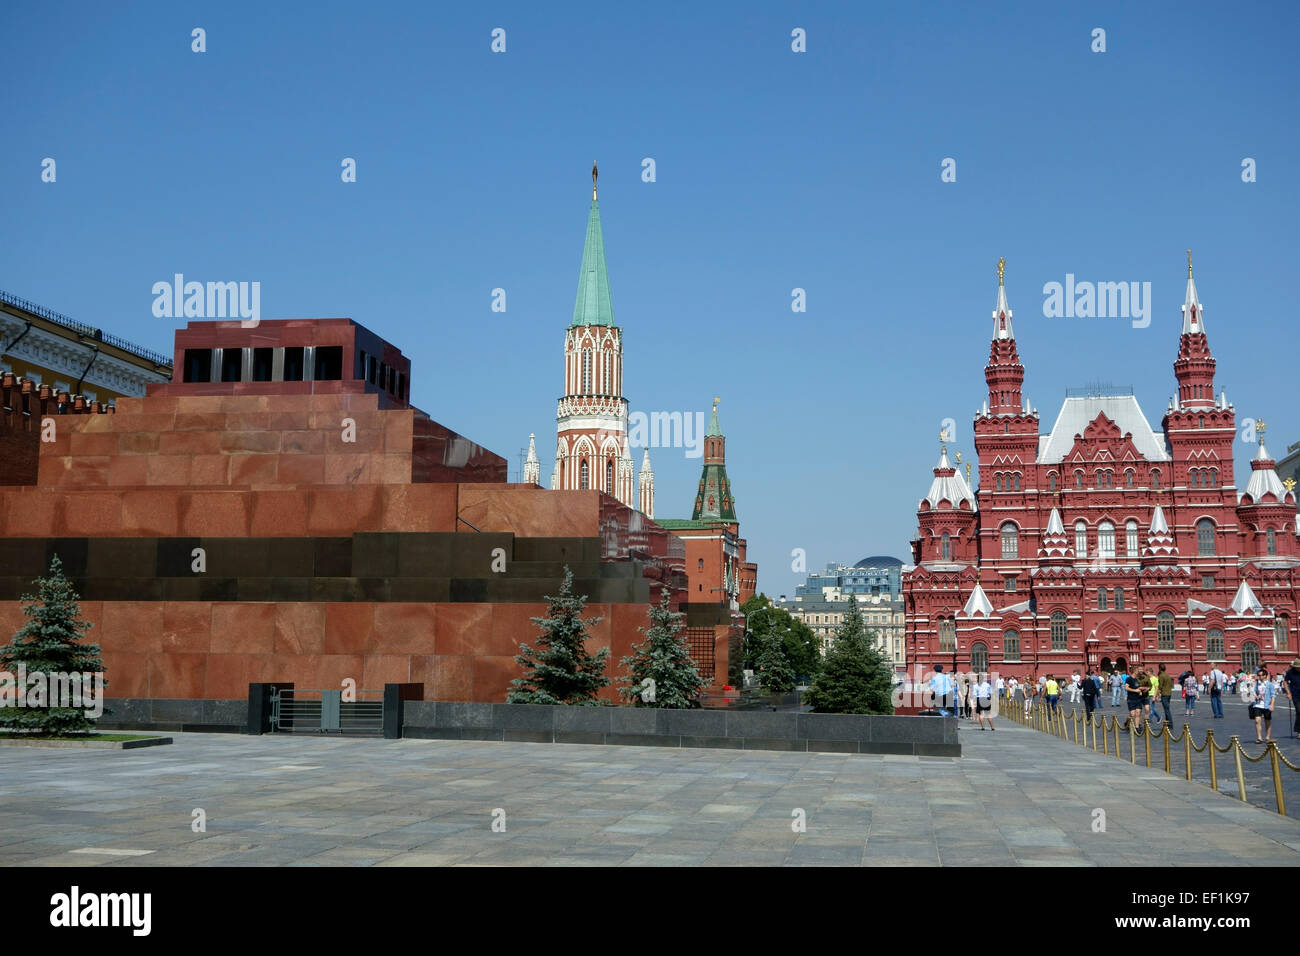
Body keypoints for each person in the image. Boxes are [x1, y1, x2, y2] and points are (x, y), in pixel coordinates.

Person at [1251, 667, 1276, 744]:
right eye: (1258, 675)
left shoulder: (1270, 684)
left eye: (1261, 675)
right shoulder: (1256, 684)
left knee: (1267, 721)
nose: (1259, 677)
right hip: (1258, 705)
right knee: (1257, 720)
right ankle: (1259, 737)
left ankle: (1267, 736)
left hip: (1267, 705)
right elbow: (1254, 692)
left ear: (1265, 676)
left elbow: (1273, 695)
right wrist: (1255, 695)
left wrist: (1272, 705)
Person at [1285, 661, 1300, 738]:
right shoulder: (1290, 672)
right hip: (1295, 695)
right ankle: (1299, 731)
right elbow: (1285, 681)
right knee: (1299, 711)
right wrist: (1288, 693)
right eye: (1297, 667)